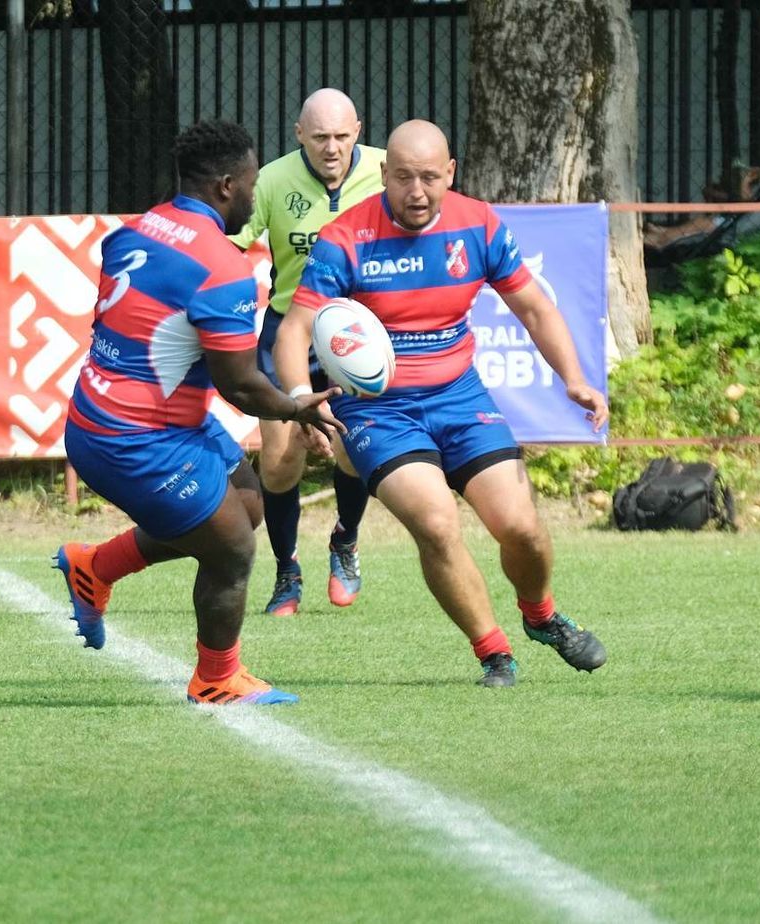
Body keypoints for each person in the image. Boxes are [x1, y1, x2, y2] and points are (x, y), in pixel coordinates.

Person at [274, 119, 610, 687]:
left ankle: (541, 614)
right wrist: (301, 399)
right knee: (436, 522)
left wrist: (573, 378)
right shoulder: (346, 238)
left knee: (522, 528)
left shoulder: (476, 223)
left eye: (430, 177)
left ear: (450, 173)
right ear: (383, 174)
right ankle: (494, 653)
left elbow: (534, 308)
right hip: (378, 411)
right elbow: (293, 332)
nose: (417, 191)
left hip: (460, 398)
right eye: (403, 177)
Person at [54, 120, 343, 706]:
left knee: (251, 502)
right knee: (232, 548)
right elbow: (238, 385)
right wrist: (297, 408)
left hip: (126, 414)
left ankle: (95, 566)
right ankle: (216, 678)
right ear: (227, 186)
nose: (257, 194)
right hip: (133, 438)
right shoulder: (223, 266)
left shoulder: (144, 227)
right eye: (254, 183)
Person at [228, 88, 386, 616]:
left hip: (356, 335)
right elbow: (230, 242)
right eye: (320, 137)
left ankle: (345, 540)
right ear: (300, 136)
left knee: (352, 450)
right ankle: (286, 569)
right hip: (286, 329)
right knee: (279, 459)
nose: (332, 148)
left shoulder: (389, 171)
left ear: (358, 131)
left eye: (342, 136)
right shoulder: (271, 180)